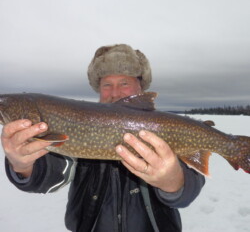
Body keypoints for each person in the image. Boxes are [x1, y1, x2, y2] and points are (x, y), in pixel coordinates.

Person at [2, 44, 205, 232]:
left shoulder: (165, 129)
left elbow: (189, 189)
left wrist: (173, 181)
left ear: (141, 88)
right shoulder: (77, 122)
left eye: (124, 83)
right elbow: (53, 173)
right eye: (107, 84)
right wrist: (22, 166)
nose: (115, 92)